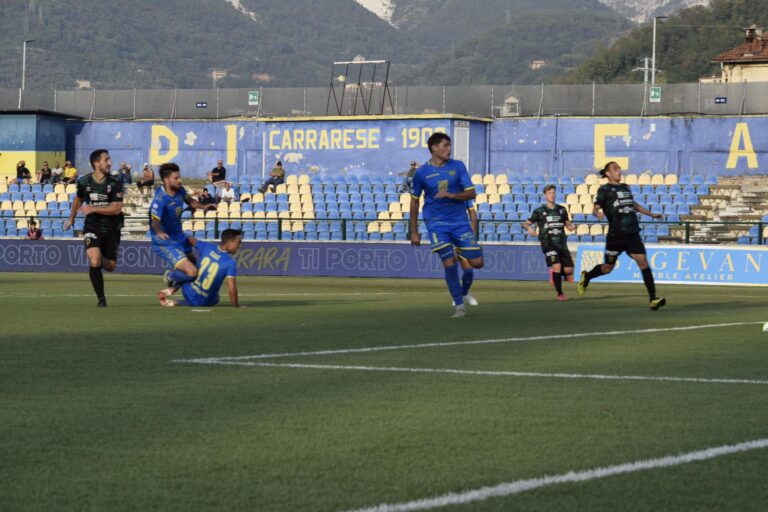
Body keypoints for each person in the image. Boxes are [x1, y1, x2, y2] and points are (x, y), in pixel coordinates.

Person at [409, 132, 484, 318]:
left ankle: (463, 289)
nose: (449, 149)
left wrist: (451, 195)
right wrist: (414, 231)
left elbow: (471, 193)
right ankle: (459, 306)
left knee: (478, 263)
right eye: (445, 146)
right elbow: (414, 202)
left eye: (449, 146)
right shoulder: (421, 173)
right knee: (449, 262)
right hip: (436, 224)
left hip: (459, 223)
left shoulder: (458, 167)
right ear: (434, 148)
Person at [578, 161, 666, 310]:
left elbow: (634, 205)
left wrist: (651, 214)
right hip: (616, 236)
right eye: (615, 168)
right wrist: (596, 212)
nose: (619, 171)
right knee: (607, 268)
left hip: (632, 233)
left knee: (643, 262)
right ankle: (587, 276)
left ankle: (653, 299)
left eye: (619, 168)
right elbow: (597, 205)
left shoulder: (625, 187)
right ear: (608, 173)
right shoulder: (605, 189)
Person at [64, 149, 124, 307]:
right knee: (95, 260)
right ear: (96, 163)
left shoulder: (115, 183)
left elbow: (117, 209)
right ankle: (101, 299)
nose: (110, 163)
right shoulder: (84, 182)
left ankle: (98, 254)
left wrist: (94, 208)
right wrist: (71, 219)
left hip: (112, 228)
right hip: (92, 226)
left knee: (110, 266)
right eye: (107, 160)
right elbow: (78, 199)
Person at [149, 162, 217, 294]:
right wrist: (159, 231)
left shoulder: (180, 190)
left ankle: (172, 288)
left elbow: (190, 200)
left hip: (179, 236)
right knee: (192, 272)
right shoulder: (160, 199)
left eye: (179, 177)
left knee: (194, 266)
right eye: (176, 178)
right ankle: (170, 276)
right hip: (165, 241)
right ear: (166, 180)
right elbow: (154, 220)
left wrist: (204, 207)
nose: (179, 180)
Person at [157, 229, 243, 308]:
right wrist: (236, 306)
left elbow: (188, 238)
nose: (240, 245)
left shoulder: (207, 246)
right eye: (238, 242)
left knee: (191, 268)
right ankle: (175, 302)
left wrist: (176, 231)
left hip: (188, 291)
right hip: (206, 302)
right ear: (230, 242)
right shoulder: (230, 262)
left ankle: (172, 285)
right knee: (216, 298)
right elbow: (231, 290)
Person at [524, 185, 576, 301]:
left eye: (553, 192)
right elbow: (526, 223)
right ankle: (560, 294)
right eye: (549, 193)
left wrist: (571, 226)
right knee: (557, 266)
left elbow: (567, 223)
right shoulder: (539, 211)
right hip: (548, 243)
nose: (552, 195)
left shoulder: (562, 209)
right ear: (545, 195)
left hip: (561, 243)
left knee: (568, 270)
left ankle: (554, 273)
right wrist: (530, 229)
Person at [451, 199, 480, 307]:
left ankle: (464, 293)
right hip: (448, 234)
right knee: (451, 268)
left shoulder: (463, 197)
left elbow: (472, 212)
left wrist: (473, 232)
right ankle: (457, 297)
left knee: (468, 272)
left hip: (464, 236)